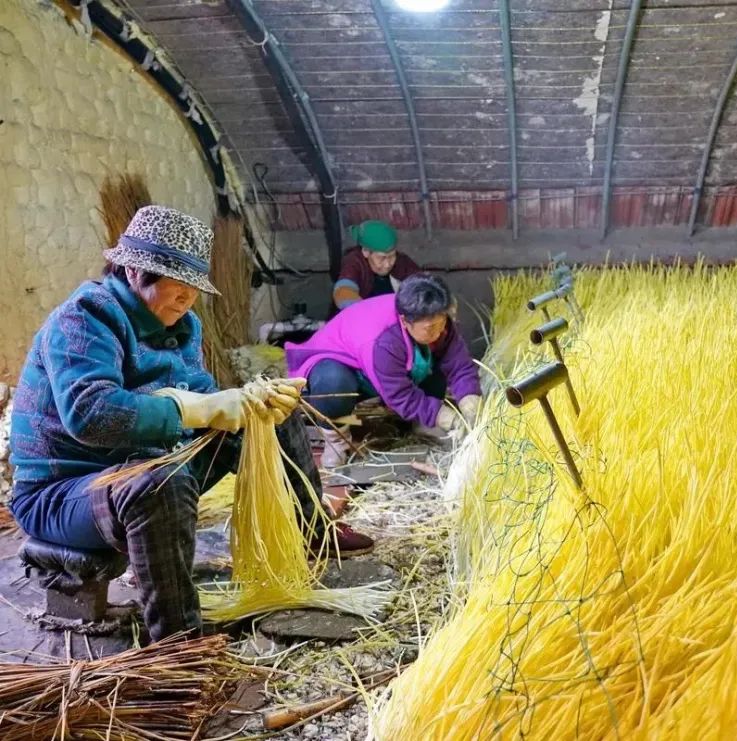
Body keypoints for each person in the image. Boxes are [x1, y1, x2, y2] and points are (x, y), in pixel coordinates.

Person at [7, 205, 371, 643]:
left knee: (271, 419)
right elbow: (92, 415)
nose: (186, 300)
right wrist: (195, 410)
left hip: (144, 463)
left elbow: (200, 389)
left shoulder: (184, 324)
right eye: (176, 288)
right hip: (64, 492)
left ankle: (313, 531)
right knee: (161, 483)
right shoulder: (86, 318)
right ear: (133, 271)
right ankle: (179, 641)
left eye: (193, 290)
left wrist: (247, 402)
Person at [287, 273, 482, 467]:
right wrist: (447, 417)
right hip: (344, 364)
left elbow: (460, 365)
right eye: (431, 328)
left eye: (442, 323)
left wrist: (470, 401)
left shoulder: (435, 321)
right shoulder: (382, 340)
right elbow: (399, 394)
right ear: (405, 321)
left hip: (385, 364)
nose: (439, 332)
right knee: (333, 383)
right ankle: (336, 439)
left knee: (435, 357)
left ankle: (423, 423)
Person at [332, 220, 421, 310]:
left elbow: (422, 281)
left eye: (392, 256)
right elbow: (343, 290)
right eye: (381, 258)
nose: (387, 264)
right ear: (366, 252)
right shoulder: (354, 261)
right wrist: (361, 310)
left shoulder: (400, 261)